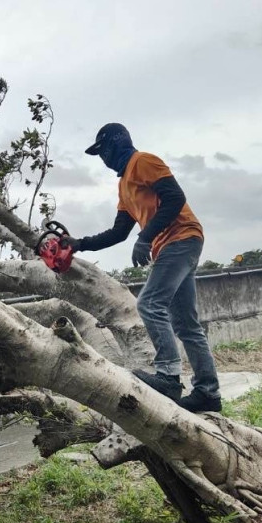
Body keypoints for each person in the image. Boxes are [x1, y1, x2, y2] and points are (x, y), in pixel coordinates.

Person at [62, 123, 222, 412]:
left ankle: (169, 377)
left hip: (182, 238)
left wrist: (145, 237)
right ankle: (208, 393)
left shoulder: (143, 161)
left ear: (116, 143)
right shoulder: (124, 185)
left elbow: (175, 197)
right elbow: (118, 232)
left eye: (103, 151)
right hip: (170, 246)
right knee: (186, 324)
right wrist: (78, 244)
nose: (103, 159)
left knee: (149, 304)